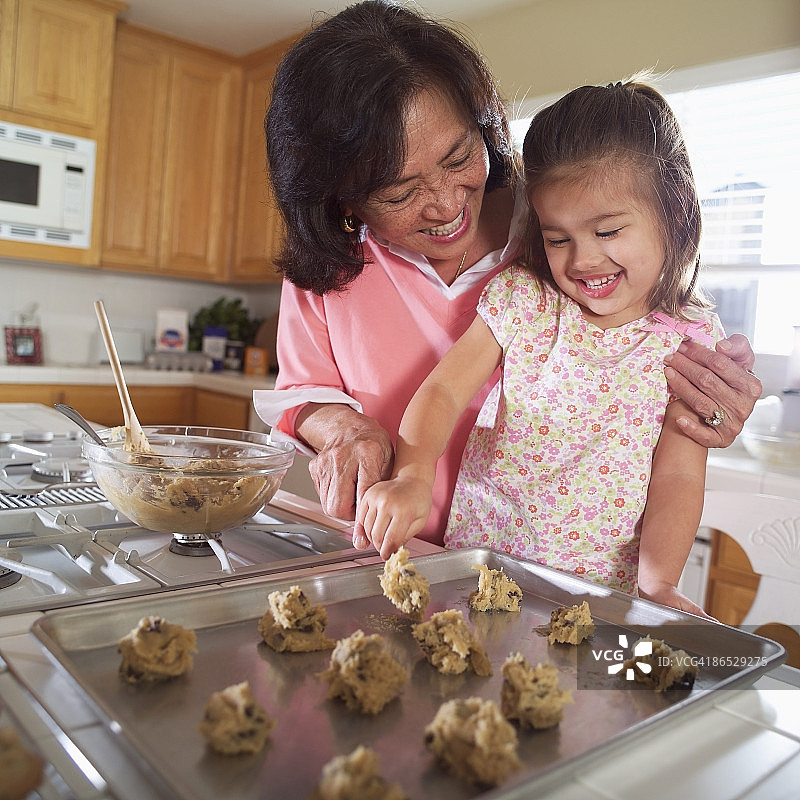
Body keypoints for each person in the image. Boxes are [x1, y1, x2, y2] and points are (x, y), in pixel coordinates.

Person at [254, 0, 761, 552]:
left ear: (482, 125)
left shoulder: (562, 224)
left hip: (556, 565)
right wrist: (342, 430)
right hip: (392, 556)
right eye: (400, 193)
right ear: (341, 197)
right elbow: (304, 391)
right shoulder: (328, 263)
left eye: (458, 157)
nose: (447, 206)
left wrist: (706, 406)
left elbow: (649, 323)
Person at [356, 79, 722, 614]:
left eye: (609, 231)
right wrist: (413, 474)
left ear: (675, 214)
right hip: (479, 569)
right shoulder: (525, 300)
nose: (583, 261)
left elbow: (679, 474)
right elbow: (442, 392)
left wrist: (659, 585)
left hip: (593, 597)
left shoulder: (687, 341)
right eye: (558, 238)